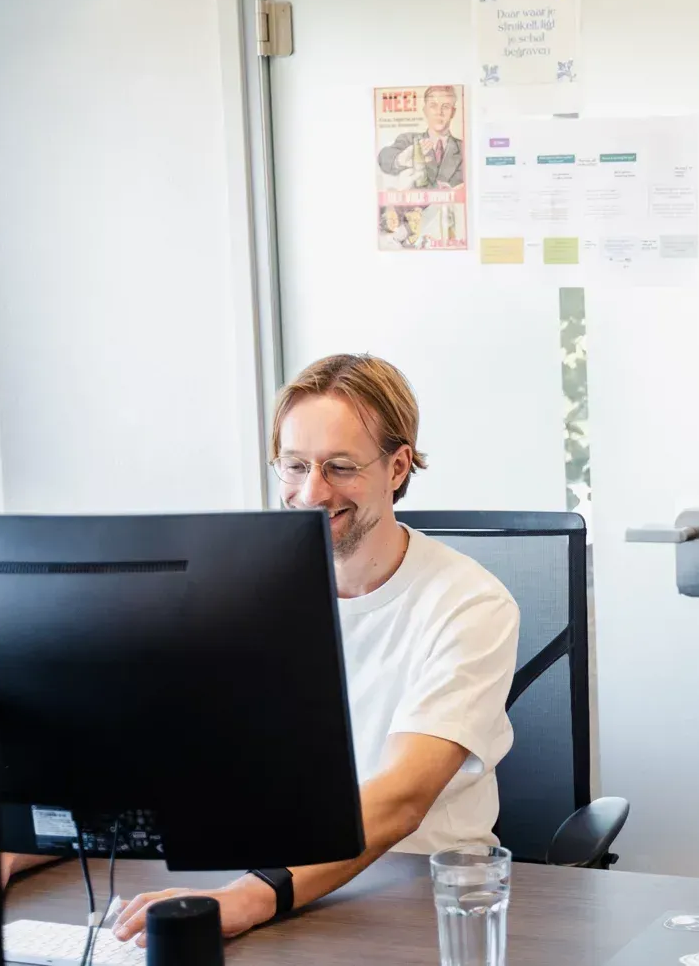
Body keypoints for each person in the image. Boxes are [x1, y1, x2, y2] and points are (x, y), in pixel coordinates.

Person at [101, 354, 520, 944]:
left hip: (416, 903)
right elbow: (146, 754)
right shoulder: (243, 595)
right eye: (294, 465)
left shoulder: (469, 603)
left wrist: (249, 897)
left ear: (398, 467)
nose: (311, 492)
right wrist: (15, 847)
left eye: (340, 467)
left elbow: (400, 799)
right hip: (274, 887)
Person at [377, 85, 465, 188]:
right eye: (433, 106)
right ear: (425, 110)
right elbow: (384, 157)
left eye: (445, 107)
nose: (439, 112)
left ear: (453, 112)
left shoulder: (464, 148)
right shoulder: (409, 140)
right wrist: (400, 159)